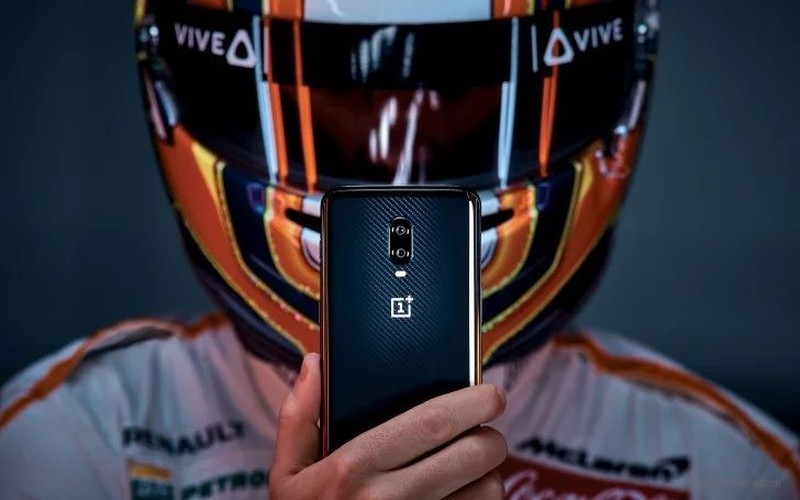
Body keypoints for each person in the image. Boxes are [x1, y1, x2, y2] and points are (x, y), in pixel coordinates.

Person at [1, 0, 798, 498]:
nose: (401, 181)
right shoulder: (69, 445)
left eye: (459, 109)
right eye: (342, 106)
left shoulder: (734, 472)